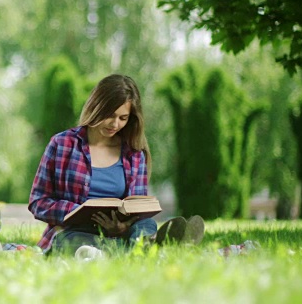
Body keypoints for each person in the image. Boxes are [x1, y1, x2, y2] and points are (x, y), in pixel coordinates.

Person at [28, 74, 204, 256]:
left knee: (147, 225)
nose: (115, 124)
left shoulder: (134, 154)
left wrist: (122, 227)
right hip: (73, 232)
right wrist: (76, 211)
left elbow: (136, 208)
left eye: (123, 118)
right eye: (110, 115)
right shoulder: (62, 144)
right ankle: (150, 251)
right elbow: (38, 201)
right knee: (72, 242)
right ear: (96, 107)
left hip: (120, 235)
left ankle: (134, 249)